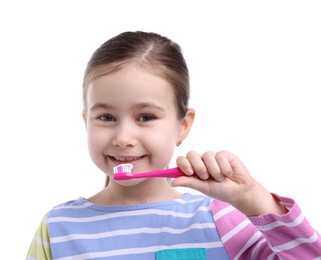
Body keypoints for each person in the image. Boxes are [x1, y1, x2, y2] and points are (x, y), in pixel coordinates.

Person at [26, 31, 321, 260]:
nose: (123, 137)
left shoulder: (217, 218)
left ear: (183, 124)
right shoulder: (57, 227)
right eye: (105, 117)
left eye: (145, 116)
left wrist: (252, 197)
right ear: (85, 121)